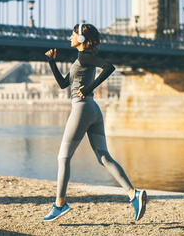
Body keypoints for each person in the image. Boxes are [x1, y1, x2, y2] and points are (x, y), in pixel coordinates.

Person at [43, 23, 146, 222]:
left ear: (81, 38)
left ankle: (59, 204)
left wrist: (89, 87)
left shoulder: (84, 56)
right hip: (93, 110)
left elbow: (109, 67)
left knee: (63, 157)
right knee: (103, 157)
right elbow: (64, 84)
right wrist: (51, 62)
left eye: (72, 34)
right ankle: (134, 195)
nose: (69, 38)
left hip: (82, 108)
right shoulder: (80, 59)